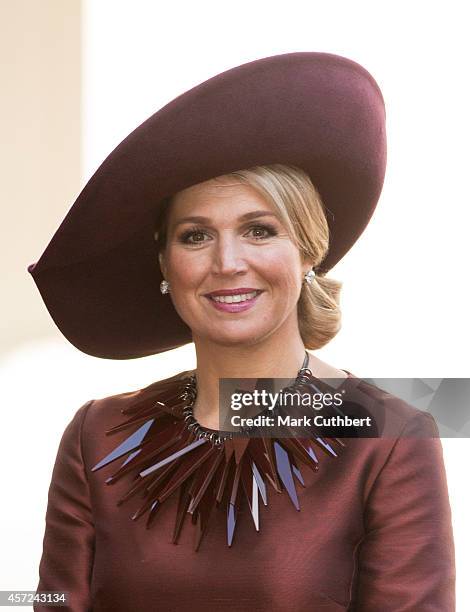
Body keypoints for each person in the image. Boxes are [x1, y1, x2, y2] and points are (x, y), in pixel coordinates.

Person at [28, 52, 455, 611]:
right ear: (164, 264)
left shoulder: (389, 440)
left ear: (308, 251)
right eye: (195, 236)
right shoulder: (97, 436)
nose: (227, 262)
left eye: (259, 230)